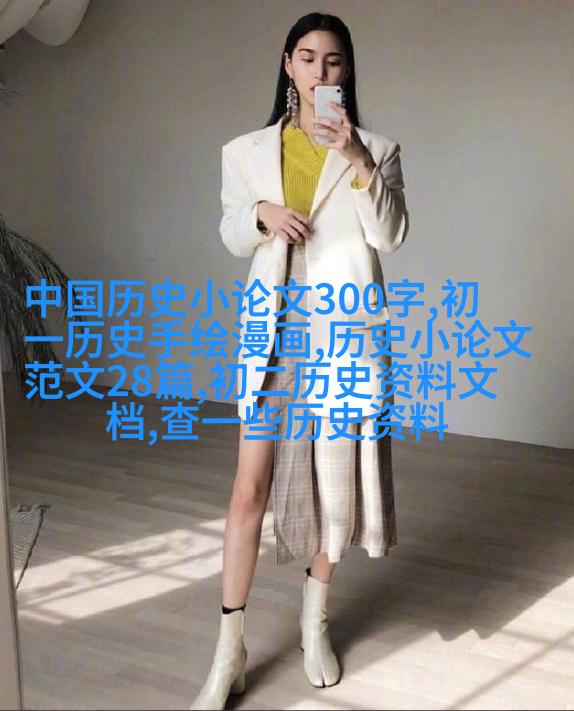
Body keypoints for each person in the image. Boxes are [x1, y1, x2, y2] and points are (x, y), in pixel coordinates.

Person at [190, 11, 409, 710]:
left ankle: (316, 624)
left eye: (334, 61)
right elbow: (232, 232)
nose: (321, 71)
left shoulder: (378, 148)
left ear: (347, 72)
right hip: (276, 334)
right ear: (288, 65)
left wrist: (359, 160)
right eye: (308, 58)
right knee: (248, 488)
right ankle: (228, 652)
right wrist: (261, 213)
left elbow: (392, 235)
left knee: (332, 488)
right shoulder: (246, 151)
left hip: (343, 336)